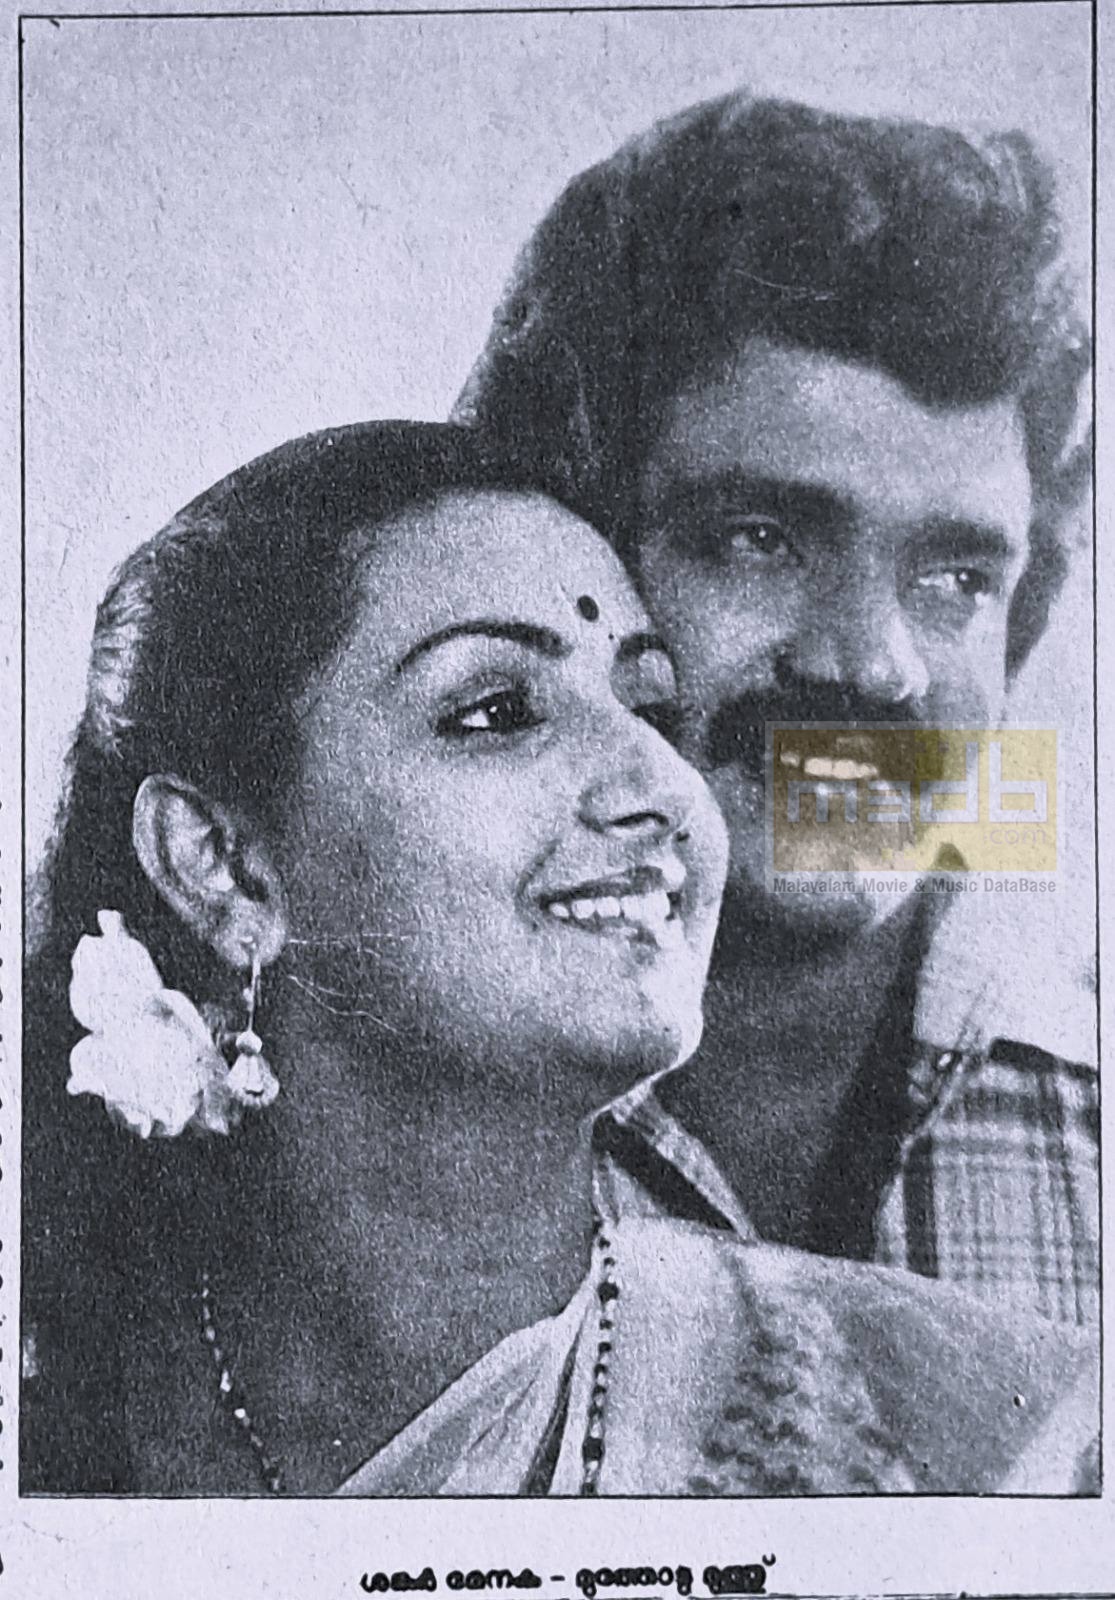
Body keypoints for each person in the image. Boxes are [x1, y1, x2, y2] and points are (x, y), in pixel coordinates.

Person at [22, 420, 1095, 1496]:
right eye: (497, 711)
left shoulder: (990, 1438)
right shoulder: (55, 1414)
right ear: (222, 865)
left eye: (652, 708)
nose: (663, 786)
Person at [456, 93, 1098, 1328]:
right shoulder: (372, 1097)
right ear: (568, 547)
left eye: (956, 578)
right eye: (760, 538)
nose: (871, 667)